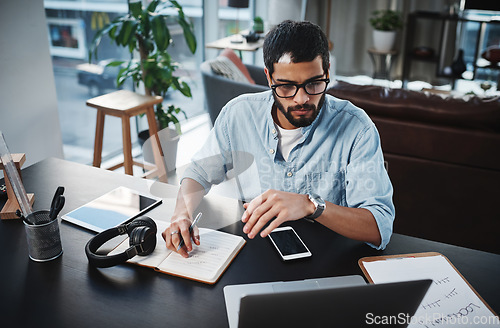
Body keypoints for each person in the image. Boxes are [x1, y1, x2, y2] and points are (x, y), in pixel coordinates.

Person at [162, 20, 395, 258]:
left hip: (328, 262)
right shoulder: (238, 113)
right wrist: (181, 214)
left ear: (327, 72)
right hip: (253, 255)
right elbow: (199, 173)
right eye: (286, 87)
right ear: (269, 78)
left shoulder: (357, 128)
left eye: (314, 83)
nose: (301, 99)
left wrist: (310, 205)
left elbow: (380, 225)